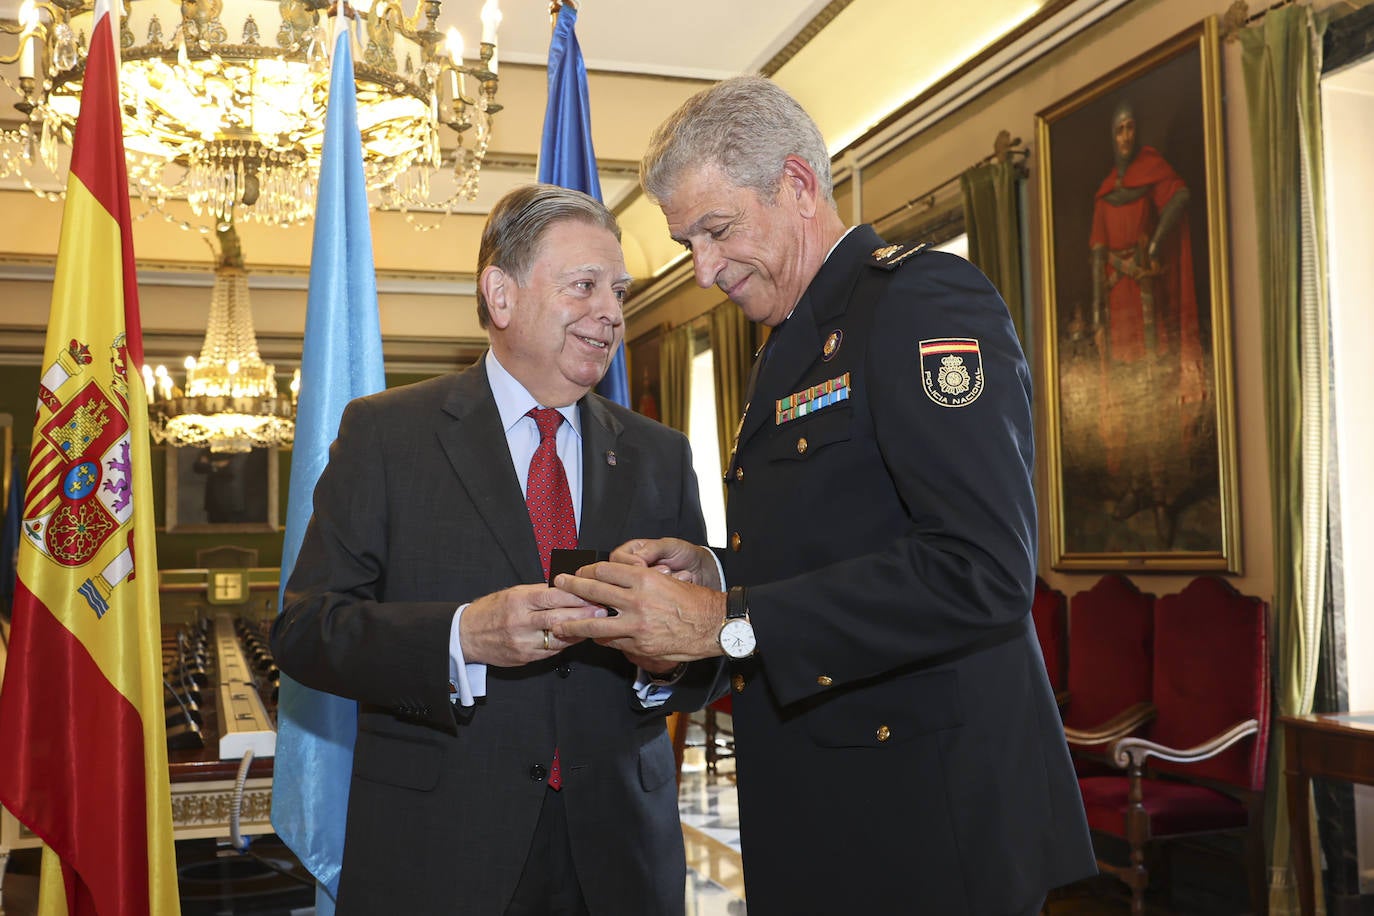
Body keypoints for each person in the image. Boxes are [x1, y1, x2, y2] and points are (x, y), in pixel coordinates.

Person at [555, 76, 1097, 915]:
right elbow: (843, 544)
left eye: (717, 230)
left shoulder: (919, 302)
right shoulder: (786, 344)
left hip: (929, 816)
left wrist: (722, 623)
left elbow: (980, 570)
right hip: (831, 798)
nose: (702, 270)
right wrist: (714, 570)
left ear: (799, 186)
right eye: (686, 242)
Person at [271, 184, 717, 915]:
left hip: (620, 859)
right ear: (500, 296)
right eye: (584, 286)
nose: (610, 312)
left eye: (619, 290)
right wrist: (461, 638)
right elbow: (306, 631)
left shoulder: (658, 455)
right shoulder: (388, 435)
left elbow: (703, 652)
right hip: (440, 852)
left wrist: (664, 659)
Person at [1084, 99, 1207, 544]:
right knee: (1126, 395)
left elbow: (1182, 196)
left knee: (1152, 400)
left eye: (1131, 129)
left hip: (1147, 302)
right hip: (1117, 309)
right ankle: (1136, 487)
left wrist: (1153, 249)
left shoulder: (1152, 167)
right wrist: (1098, 315)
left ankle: (1159, 496)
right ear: (1111, 136)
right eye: (1119, 131)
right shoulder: (1104, 193)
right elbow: (1098, 254)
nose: (1126, 138)